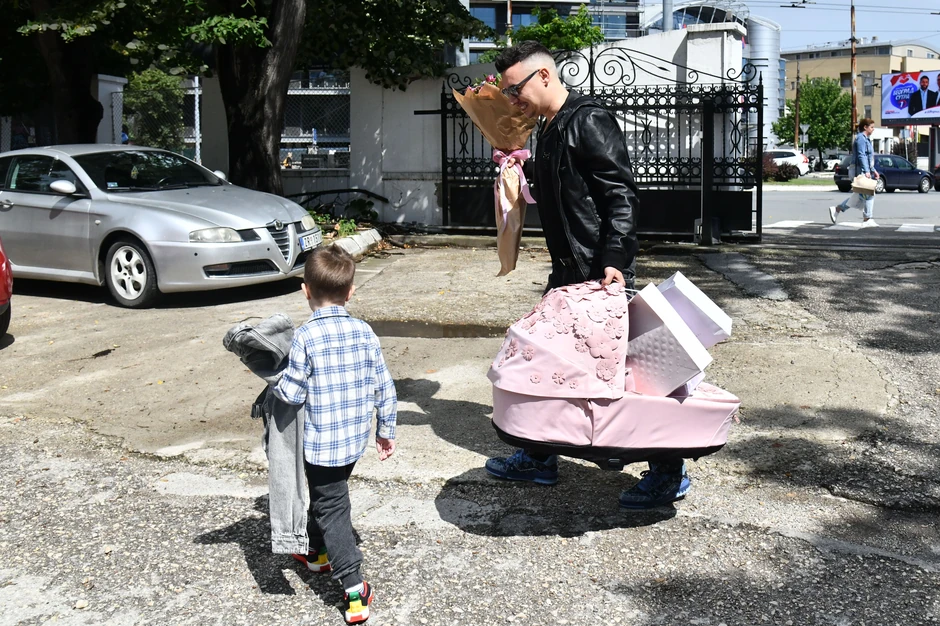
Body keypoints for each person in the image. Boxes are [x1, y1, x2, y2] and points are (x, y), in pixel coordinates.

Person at [482, 40, 691, 510]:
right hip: (568, 269)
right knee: (549, 364)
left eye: (514, 90)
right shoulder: (551, 127)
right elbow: (567, 184)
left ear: (543, 77)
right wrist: (520, 164)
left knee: (631, 373)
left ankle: (668, 471)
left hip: (600, 271)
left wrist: (615, 260)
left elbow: (621, 195)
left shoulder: (588, 119)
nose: (512, 100)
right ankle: (540, 455)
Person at [274, 245, 397, 625]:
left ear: (305, 290)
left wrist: (270, 382)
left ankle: (354, 587)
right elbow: (385, 386)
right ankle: (315, 552)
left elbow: (292, 392)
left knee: (333, 507)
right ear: (351, 291)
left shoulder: (305, 337)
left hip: (319, 443)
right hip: (354, 440)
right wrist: (386, 430)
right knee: (328, 498)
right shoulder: (364, 332)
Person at [829, 118, 880, 227]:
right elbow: (861, 155)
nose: (873, 129)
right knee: (869, 194)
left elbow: (867, 158)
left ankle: (837, 209)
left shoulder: (866, 139)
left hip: (863, 169)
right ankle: (867, 219)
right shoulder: (861, 139)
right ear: (865, 127)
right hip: (859, 170)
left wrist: (873, 170)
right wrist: (866, 171)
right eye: (871, 127)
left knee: (858, 197)